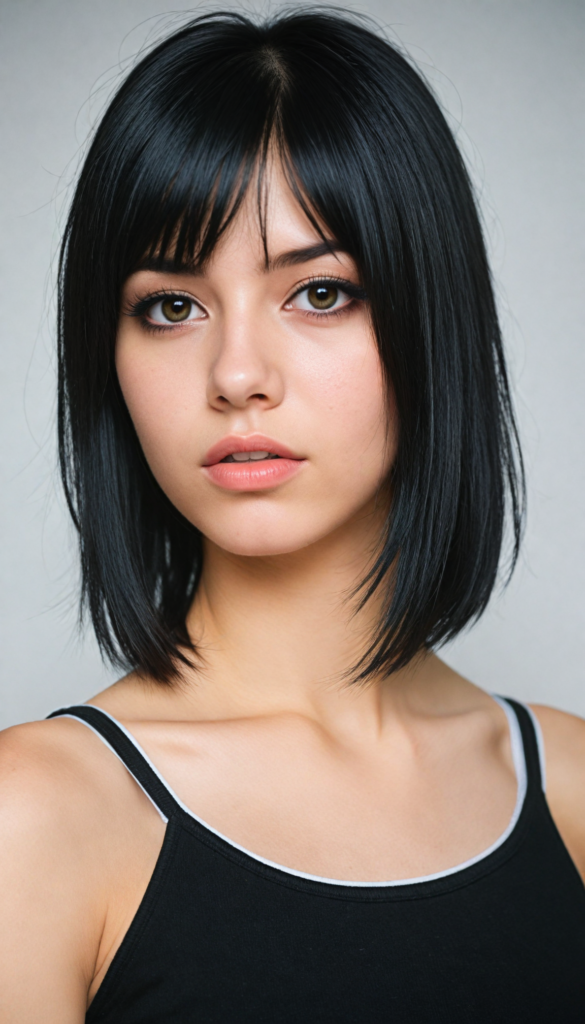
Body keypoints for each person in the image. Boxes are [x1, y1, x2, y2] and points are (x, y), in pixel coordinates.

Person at [1, 9, 584, 1021]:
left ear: (429, 316)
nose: (236, 375)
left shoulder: (572, 788)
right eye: (171, 305)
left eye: (318, 292)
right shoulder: (37, 817)